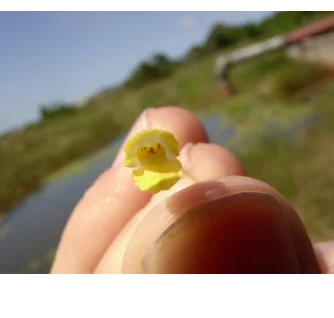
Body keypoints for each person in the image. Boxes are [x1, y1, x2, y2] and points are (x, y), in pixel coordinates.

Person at [51, 106, 333, 274]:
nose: (149, 151)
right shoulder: (148, 167)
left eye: (153, 148)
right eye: (146, 150)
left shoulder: (167, 156)